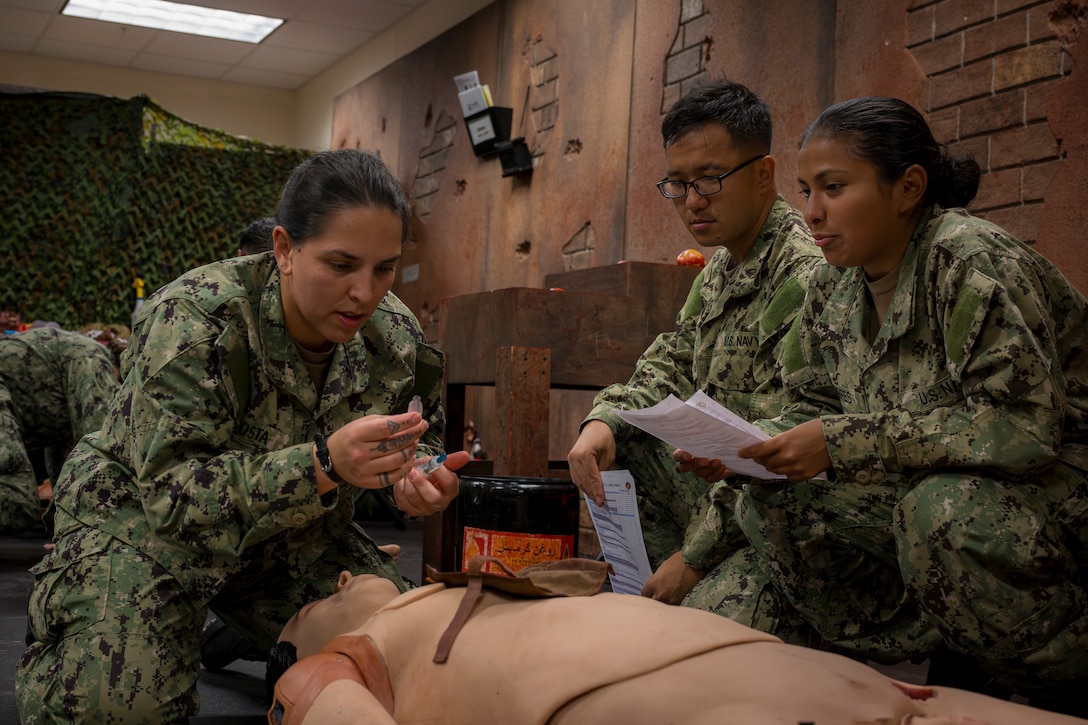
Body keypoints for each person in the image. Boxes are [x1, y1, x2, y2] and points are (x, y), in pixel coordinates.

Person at [17, 148, 468, 724]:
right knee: (119, 710)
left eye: (384, 268)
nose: (365, 292)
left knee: (412, 664)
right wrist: (324, 464)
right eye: (340, 265)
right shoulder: (193, 320)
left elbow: (418, 430)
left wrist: (416, 474)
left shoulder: (396, 336)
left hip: (290, 535)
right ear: (283, 249)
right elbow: (172, 495)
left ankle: (239, 630)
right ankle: (78, 608)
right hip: (144, 527)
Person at [721, 97, 1088, 715]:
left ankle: (1060, 675)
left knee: (939, 513)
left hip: (1054, 488)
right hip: (943, 488)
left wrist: (842, 442)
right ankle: (956, 641)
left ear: (908, 187)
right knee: (773, 495)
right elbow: (810, 400)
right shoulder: (832, 283)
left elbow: (1024, 428)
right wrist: (744, 442)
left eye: (834, 188)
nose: (813, 212)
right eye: (806, 190)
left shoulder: (969, 260)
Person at [566, 80, 822, 625]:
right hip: (723, 498)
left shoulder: (804, 276)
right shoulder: (721, 271)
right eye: (678, 184)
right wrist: (603, 423)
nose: (693, 200)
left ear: (763, 174)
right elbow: (667, 362)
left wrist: (695, 558)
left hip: (779, 520)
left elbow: (777, 457)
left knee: (697, 641)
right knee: (622, 445)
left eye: (709, 178)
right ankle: (642, 593)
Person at [264, 558, 1086, 725]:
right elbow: (321, 704)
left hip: (794, 672)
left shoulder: (447, 591)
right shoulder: (352, 653)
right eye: (304, 605)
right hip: (695, 692)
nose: (334, 581)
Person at [0, 327, 119, 534]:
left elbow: (65, 463)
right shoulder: (91, 358)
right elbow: (99, 449)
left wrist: (64, 531)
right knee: (18, 500)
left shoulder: (65, 373)